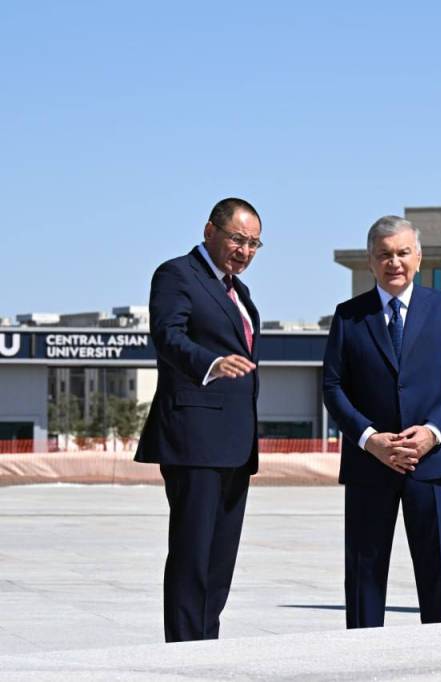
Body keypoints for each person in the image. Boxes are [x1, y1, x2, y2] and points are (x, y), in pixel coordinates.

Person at [322, 215, 441, 628]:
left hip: (435, 463)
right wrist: (369, 439)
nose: (394, 262)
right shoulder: (348, 316)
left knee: (438, 577)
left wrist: (431, 433)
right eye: (384, 254)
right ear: (370, 261)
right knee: (364, 578)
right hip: (370, 465)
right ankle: (364, 656)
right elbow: (333, 387)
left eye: (403, 253)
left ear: (418, 258)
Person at [135, 197, 263, 642]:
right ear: (210, 231)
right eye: (237, 239)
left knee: (220, 559)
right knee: (192, 554)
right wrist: (210, 363)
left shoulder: (240, 293)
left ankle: (207, 645)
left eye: (254, 244)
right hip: (195, 438)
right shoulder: (177, 275)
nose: (244, 251)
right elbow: (167, 335)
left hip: (235, 443)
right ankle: (184, 649)